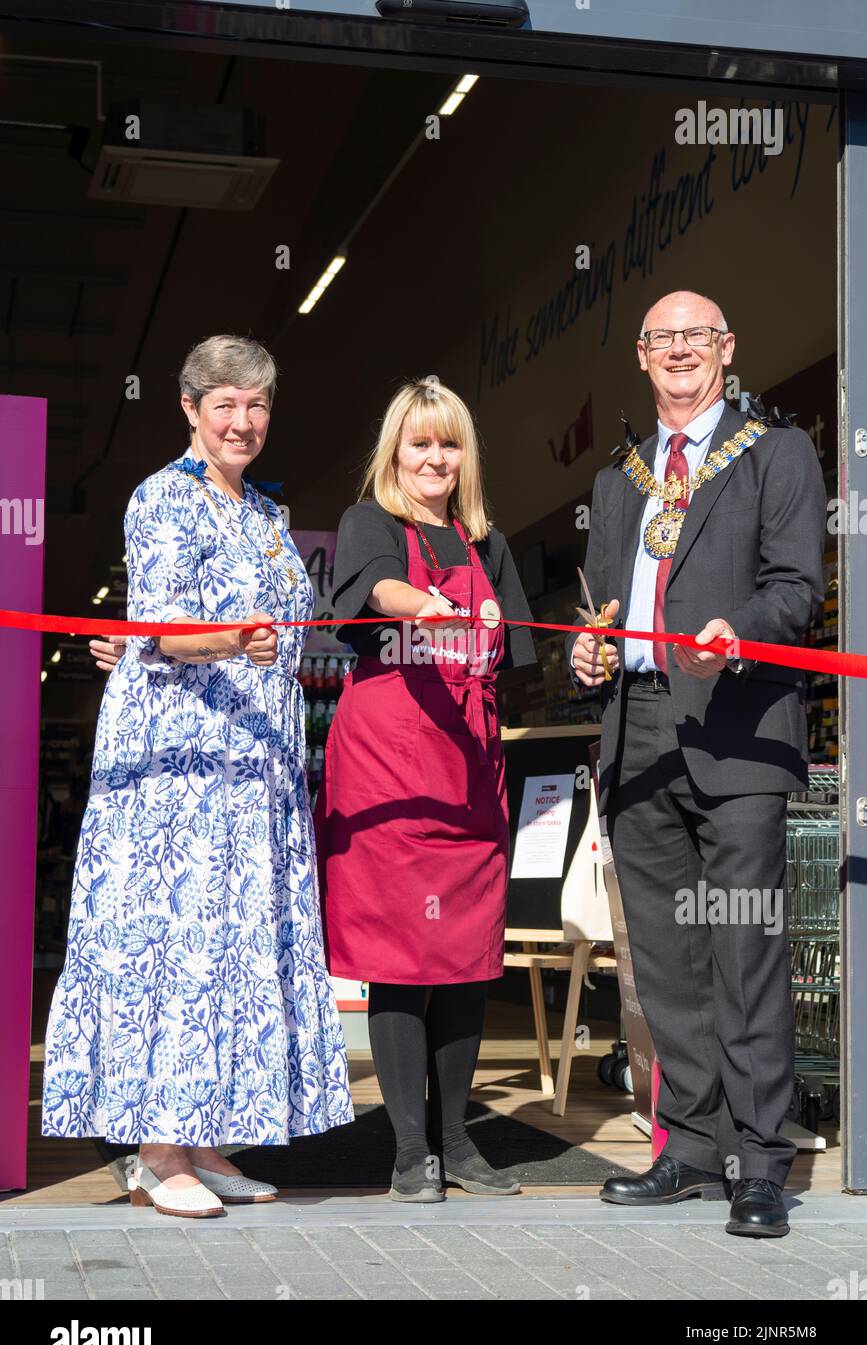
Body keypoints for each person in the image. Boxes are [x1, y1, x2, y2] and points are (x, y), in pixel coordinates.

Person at [44, 335, 353, 1218]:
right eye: (224, 403)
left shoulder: (263, 512)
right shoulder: (160, 500)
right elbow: (160, 629)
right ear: (188, 408)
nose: (242, 420)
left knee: (235, 943)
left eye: (256, 404)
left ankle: (205, 1139)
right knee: (176, 938)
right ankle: (155, 1148)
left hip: (255, 763)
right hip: (180, 770)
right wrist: (233, 638)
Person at [568, 291, 826, 1238]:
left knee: (743, 949)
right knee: (666, 962)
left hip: (737, 728)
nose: (679, 352)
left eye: (696, 337)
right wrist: (585, 655)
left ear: (726, 349)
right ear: (641, 356)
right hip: (633, 728)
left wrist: (737, 634)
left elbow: (796, 588)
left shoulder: (775, 452)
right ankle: (686, 1145)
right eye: (661, 339)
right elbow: (596, 605)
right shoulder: (616, 480)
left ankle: (761, 1160)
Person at [316, 378, 538, 1202]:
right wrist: (431, 609)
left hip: (470, 775)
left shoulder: (492, 546)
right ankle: (411, 1150)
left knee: (465, 959)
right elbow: (380, 590)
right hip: (391, 772)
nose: (434, 458)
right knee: (403, 962)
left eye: (447, 444)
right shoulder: (369, 523)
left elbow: (514, 659)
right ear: (395, 454)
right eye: (419, 444)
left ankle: (458, 1141)